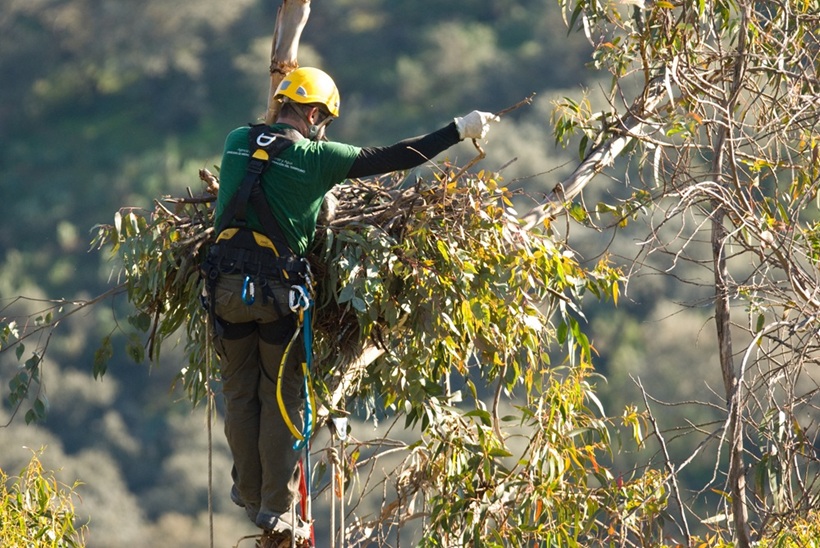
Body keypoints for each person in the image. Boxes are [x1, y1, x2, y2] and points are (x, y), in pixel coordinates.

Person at [205, 66, 498, 540]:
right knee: (282, 399)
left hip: (222, 290)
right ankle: (277, 508)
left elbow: (259, 184)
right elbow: (399, 156)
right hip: (277, 295)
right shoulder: (319, 157)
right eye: (324, 120)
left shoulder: (236, 140)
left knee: (240, 393)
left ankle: (250, 491)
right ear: (315, 113)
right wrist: (459, 129)